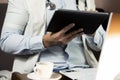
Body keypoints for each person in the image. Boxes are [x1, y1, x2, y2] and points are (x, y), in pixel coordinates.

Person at [0, 0, 105, 79]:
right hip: (42, 74)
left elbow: (101, 44)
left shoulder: (86, 1)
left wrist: (92, 31)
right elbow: (6, 41)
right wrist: (43, 42)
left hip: (82, 72)